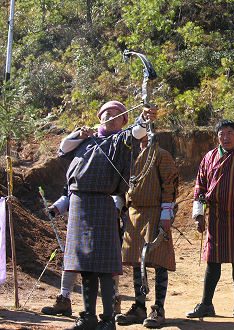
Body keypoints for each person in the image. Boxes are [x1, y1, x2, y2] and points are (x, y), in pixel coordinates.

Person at [59, 100, 157, 330]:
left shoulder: (121, 141)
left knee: (103, 266)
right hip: (79, 205)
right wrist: (79, 133)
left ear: (124, 120)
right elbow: (63, 148)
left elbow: (136, 133)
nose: (110, 117)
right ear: (99, 116)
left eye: (116, 115)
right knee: (85, 265)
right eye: (106, 113)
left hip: (104, 203)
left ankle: (107, 319)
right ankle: (87, 317)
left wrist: (143, 118)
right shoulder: (85, 139)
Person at [186, 119, 234, 320]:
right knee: (212, 263)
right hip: (216, 218)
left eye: (230, 133)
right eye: (222, 134)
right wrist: (199, 215)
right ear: (217, 136)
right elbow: (200, 188)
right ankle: (206, 305)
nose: (226, 137)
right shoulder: (209, 158)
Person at [115, 134, 179, 328]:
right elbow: (121, 185)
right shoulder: (130, 155)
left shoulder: (161, 155)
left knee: (159, 260)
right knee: (136, 262)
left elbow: (169, 184)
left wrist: (166, 213)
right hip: (133, 214)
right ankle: (139, 306)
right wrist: (118, 208)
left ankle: (158, 308)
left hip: (155, 212)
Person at [41, 189, 124, 317]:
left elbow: (118, 192)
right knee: (72, 260)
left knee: (109, 263)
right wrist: (57, 207)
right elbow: (69, 192)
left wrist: (115, 210)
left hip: (107, 222)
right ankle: (64, 299)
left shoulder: (110, 168)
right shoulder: (75, 168)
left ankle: (114, 301)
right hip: (80, 221)